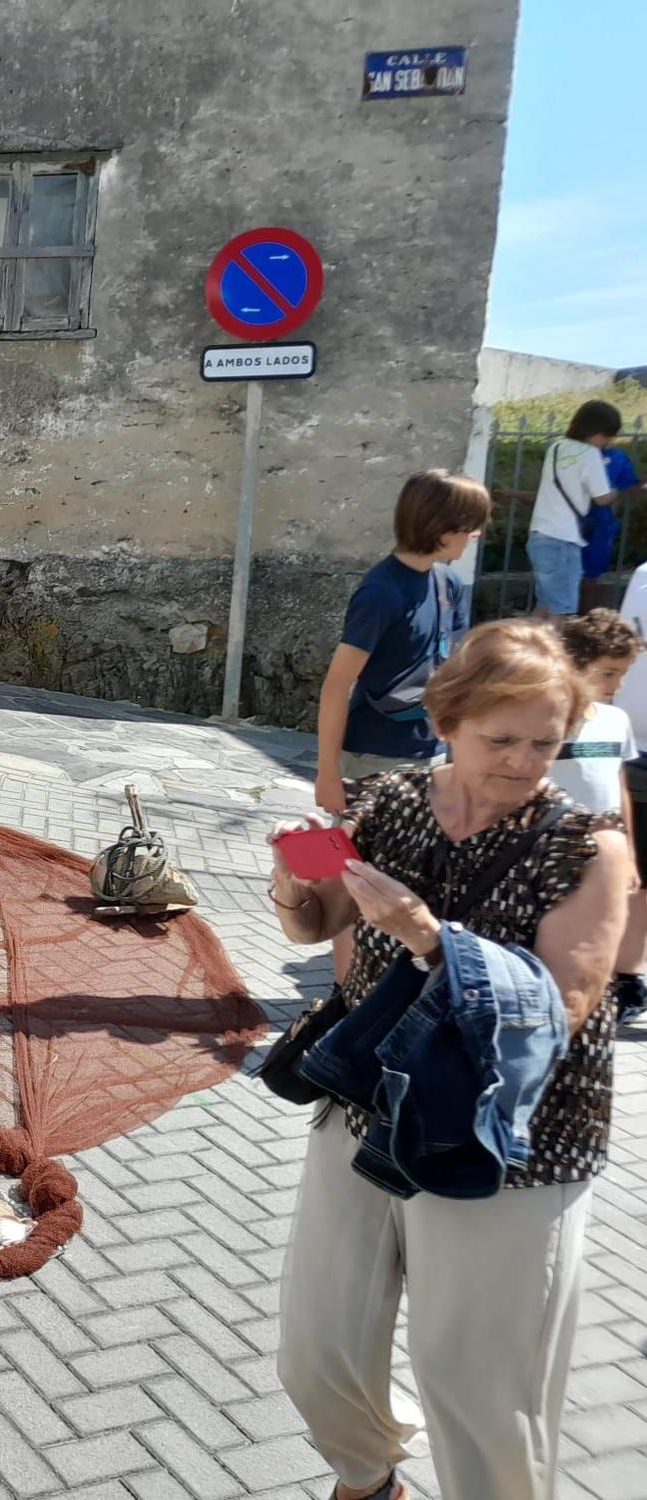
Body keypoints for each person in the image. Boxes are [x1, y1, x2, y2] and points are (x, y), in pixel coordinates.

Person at [270, 620, 628, 1500]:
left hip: (511, 1140)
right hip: (370, 1102)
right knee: (318, 1350)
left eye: (546, 741)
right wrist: (291, 887)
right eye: (499, 738)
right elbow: (317, 926)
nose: (523, 761)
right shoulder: (387, 803)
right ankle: (368, 1479)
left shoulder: (586, 846)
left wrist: (430, 940)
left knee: (478, 1386)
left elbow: (562, 1005)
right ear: (446, 722)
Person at [314, 470, 491, 817]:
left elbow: (455, 672)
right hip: (373, 757)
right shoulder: (380, 593)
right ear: (442, 529)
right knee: (359, 868)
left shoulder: (449, 584)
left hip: (433, 754)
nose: (476, 534)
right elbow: (336, 686)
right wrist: (327, 774)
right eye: (470, 526)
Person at [555, 609, 647, 1022]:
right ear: (574, 664)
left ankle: (596, 1003)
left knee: (598, 936)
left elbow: (618, 784)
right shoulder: (549, 721)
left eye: (623, 673)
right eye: (608, 673)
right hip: (554, 851)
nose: (619, 685)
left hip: (603, 853)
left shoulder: (615, 720)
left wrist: (626, 847)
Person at [527, 400, 622, 618]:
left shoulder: (557, 447)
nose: (608, 442)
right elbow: (601, 498)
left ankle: (517, 650)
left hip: (539, 536)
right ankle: (547, 652)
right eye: (608, 436)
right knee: (562, 613)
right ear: (597, 431)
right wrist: (617, 491)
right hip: (563, 541)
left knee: (543, 608)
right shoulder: (590, 454)